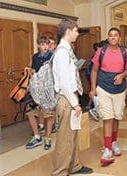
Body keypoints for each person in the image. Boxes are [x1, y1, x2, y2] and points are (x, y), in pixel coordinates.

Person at [51, 18, 93, 175]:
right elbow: (64, 83)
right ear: (68, 31)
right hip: (67, 99)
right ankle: (60, 171)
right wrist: (75, 103)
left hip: (72, 98)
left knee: (74, 135)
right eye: (76, 31)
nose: (77, 34)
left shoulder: (67, 50)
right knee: (65, 139)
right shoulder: (61, 53)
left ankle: (74, 165)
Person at [89, 27, 127, 166]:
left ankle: (113, 142)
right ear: (108, 38)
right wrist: (93, 88)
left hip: (119, 89)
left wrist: (122, 76)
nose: (113, 37)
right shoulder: (101, 51)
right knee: (108, 117)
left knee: (116, 117)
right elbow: (94, 71)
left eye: (116, 35)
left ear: (119, 38)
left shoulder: (125, 52)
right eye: (111, 35)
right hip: (103, 88)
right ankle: (107, 149)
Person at [25, 35, 54, 150]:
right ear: (38, 45)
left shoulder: (52, 57)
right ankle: (37, 136)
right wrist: (30, 70)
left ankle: (48, 138)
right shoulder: (35, 57)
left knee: (48, 114)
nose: (45, 46)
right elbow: (30, 68)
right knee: (31, 112)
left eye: (47, 44)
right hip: (35, 89)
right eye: (42, 44)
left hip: (48, 90)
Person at [85, 42, 103, 121]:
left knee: (97, 93)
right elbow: (94, 70)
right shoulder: (97, 57)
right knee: (97, 93)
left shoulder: (94, 56)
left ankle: (95, 108)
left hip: (95, 78)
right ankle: (96, 109)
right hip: (97, 78)